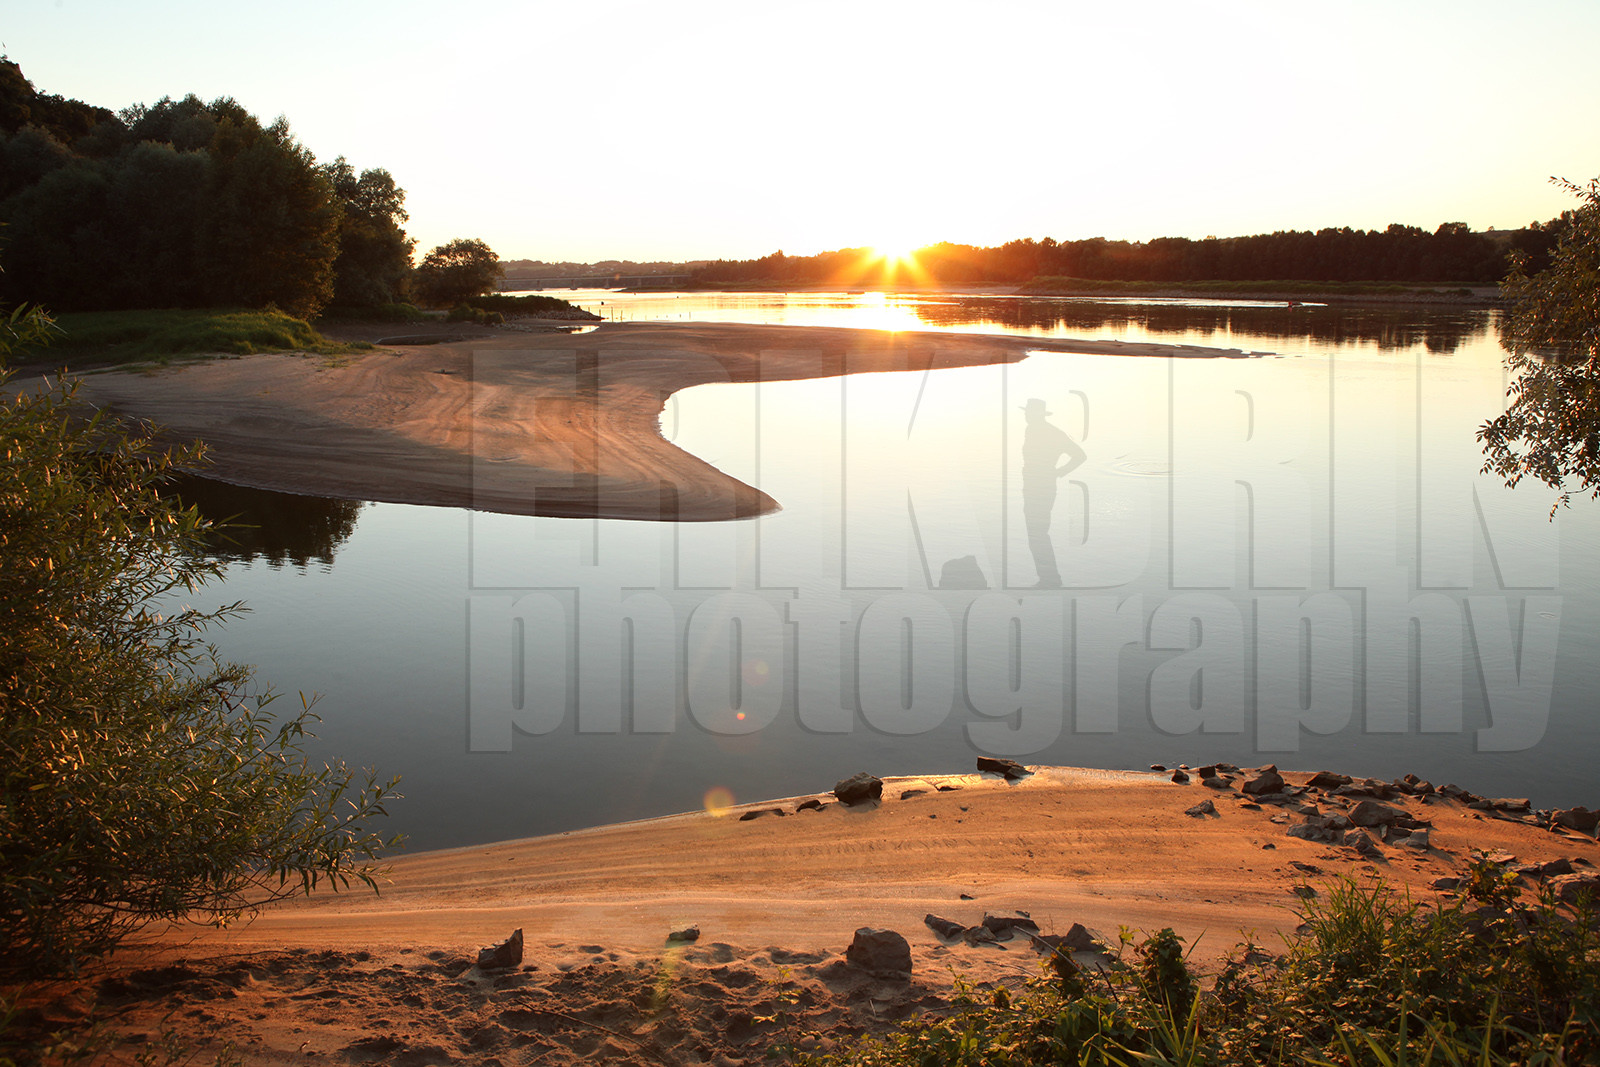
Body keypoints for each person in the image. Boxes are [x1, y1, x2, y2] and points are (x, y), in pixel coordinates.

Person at [1020, 397, 1086, 588]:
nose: (1026, 415)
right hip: (1031, 487)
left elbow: (1080, 455)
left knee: (1038, 533)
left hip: (1042, 488)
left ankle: (1050, 579)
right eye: (1026, 412)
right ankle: (1047, 577)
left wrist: (1059, 472)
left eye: (1029, 412)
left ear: (1039, 414)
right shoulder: (1030, 430)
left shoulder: (1053, 434)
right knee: (1035, 534)